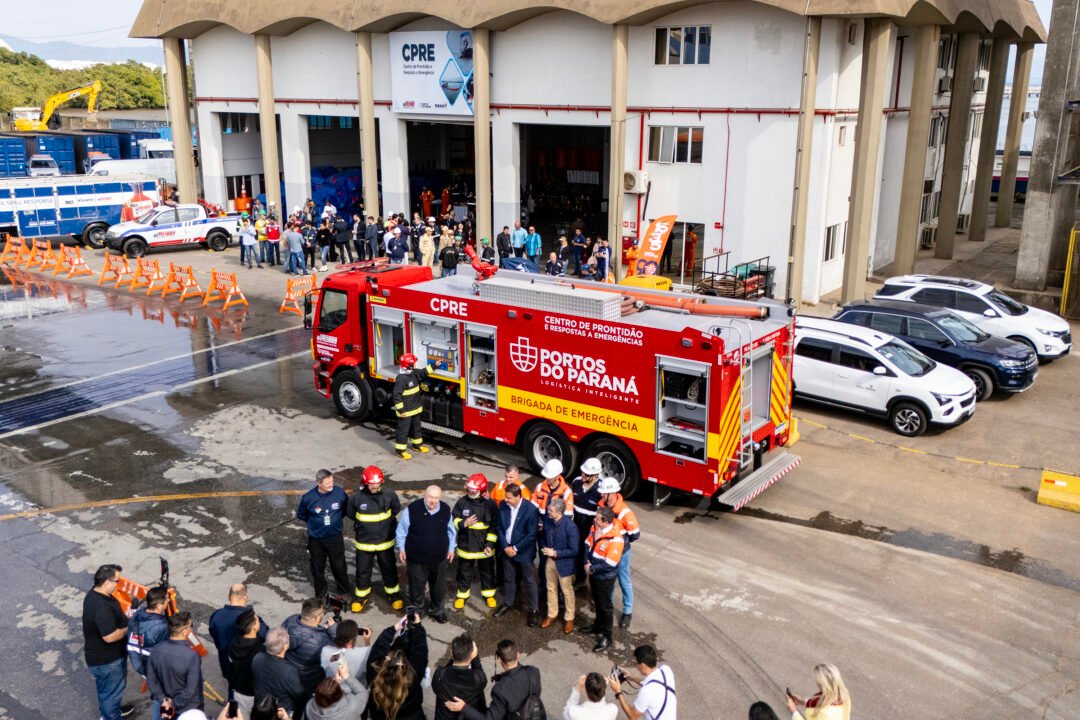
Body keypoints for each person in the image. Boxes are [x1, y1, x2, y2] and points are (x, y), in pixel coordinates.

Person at [346, 465, 405, 613]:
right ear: (365, 483)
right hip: (365, 544)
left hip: (385, 543)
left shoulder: (390, 495)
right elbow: (351, 513)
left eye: (377, 484)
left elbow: (395, 509)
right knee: (363, 571)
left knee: (389, 569)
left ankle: (393, 595)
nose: (374, 486)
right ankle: (361, 597)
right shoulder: (356, 498)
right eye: (371, 484)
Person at [397, 484, 457, 623]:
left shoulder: (445, 510)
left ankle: (437, 610)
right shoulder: (412, 510)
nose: (433, 501)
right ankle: (416, 612)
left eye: (436, 498)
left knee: (438, 588)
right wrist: (401, 548)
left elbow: (451, 531)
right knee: (416, 588)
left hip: (439, 558)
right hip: (416, 559)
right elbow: (401, 531)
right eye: (430, 497)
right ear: (425, 495)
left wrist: (451, 549)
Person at [443, 639, 543, 720]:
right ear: (518, 654)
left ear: (499, 659)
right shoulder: (533, 672)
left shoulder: (500, 690)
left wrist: (463, 707)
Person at [82, 563, 133, 720]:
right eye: (117, 581)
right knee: (110, 693)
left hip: (102, 659)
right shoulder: (101, 607)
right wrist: (128, 627)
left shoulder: (95, 594)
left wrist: (124, 617)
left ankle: (112, 711)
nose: (119, 584)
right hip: (108, 661)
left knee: (107, 691)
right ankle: (111, 715)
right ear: (106, 582)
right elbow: (109, 636)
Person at [296, 469, 351, 599]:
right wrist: (317, 524)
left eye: (332, 481)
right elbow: (302, 515)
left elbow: (344, 510)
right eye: (327, 483)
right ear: (319, 484)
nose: (331, 485)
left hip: (335, 538)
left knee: (339, 566)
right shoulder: (308, 498)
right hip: (316, 540)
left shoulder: (339, 493)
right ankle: (321, 595)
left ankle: (344, 591)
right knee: (317, 568)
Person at [209, 583, 268, 702]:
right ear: (245, 597)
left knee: (232, 689)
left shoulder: (216, 616)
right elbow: (265, 634)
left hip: (226, 664)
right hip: (247, 668)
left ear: (229, 596)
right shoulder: (250, 619)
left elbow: (214, 635)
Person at [494, 483, 540, 626]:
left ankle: (533, 610)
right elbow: (499, 527)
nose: (505, 500)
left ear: (518, 496)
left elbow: (531, 535)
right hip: (507, 550)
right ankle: (508, 603)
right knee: (509, 578)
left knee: (529, 581)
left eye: (508, 498)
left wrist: (515, 548)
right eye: (505, 497)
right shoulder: (503, 505)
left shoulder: (531, 510)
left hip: (523, 552)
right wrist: (506, 546)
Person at [366, 614, 429, 720]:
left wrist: (393, 629)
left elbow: (378, 647)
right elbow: (420, 651)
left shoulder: (374, 674)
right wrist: (418, 626)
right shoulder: (413, 677)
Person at [597, 478, 640, 629]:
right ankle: (606, 606)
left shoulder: (625, 513)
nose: (601, 496)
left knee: (624, 580)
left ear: (613, 493)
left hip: (621, 553)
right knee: (609, 581)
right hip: (605, 550)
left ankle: (627, 612)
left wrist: (620, 544)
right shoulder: (601, 505)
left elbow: (635, 534)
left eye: (604, 494)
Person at [452, 474, 498, 610]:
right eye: (469, 490)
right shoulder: (461, 503)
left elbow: (494, 526)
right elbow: (453, 520)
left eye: (474, 491)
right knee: (464, 572)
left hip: (485, 548)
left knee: (487, 572)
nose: (470, 493)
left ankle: (488, 594)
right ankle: (462, 595)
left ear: (483, 491)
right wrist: (464, 523)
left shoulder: (490, 505)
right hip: (466, 547)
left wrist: (489, 544)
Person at [581, 507, 623, 651]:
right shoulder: (596, 527)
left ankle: (607, 636)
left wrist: (591, 568)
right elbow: (588, 543)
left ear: (605, 521)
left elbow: (611, 563)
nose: (594, 520)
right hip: (594, 573)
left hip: (604, 577)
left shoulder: (616, 539)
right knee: (597, 603)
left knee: (605, 607)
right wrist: (586, 560)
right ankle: (597, 626)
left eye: (598, 518)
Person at [148, 611, 204, 718]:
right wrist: (173, 704)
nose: (192, 629)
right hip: (188, 708)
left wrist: (164, 700)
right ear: (184, 631)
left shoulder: (156, 649)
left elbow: (151, 679)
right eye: (191, 626)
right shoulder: (192, 655)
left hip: (165, 703)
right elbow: (190, 689)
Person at [539, 496, 579, 634]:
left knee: (567, 591)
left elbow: (574, 550)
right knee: (551, 588)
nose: (548, 512)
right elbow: (543, 538)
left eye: (551, 511)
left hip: (564, 564)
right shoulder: (548, 522)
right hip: (550, 561)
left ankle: (569, 618)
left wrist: (555, 552)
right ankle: (552, 614)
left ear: (560, 512)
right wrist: (545, 549)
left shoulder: (571, 527)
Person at [283, 597, 337, 697]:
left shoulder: (291, 620)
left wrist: (320, 630)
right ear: (317, 618)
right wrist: (333, 632)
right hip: (310, 680)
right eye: (322, 613)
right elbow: (336, 655)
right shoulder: (320, 640)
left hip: (288, 672)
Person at [606, 645, 676, 720]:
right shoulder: (666, 670)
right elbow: (650, 683)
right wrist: (632, 678)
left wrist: (618, 692)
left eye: (636, 663)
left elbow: (632, 716)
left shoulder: (646, 692)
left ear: (643, 665)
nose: (636, 666)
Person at [252, 628, 306, 720]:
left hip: (261, 706)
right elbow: (300, 696)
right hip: (281, 711)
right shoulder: (289, 671)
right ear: (284, 647)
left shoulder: (257, 658)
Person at [127, 586, 170, 695]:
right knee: (163, 696)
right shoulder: (161, 627)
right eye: (167, 599)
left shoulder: (137, 614)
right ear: (160, 605)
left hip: (137, 661)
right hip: (153, 667)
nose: (169, 601)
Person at [432, 634, 487, 720]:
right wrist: (476, 659)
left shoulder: (440, 675)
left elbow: (435, 688)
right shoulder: (478, 678)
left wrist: (454, 657)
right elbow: (480, 673)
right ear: (472, 655)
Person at [320, 620, 372, 706]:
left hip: (334, 692)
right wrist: (367, 641)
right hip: (357, 693)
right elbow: (370, 659)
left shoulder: (326, 651)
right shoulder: (365, 652)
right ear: (353, 639)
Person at [392, 353, 431, 459]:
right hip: (406, 412)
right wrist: (401, 410)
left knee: (416, 428)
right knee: (403, 431)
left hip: (415, 408)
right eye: (412, 364)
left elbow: (423, 372)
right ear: (408, 366)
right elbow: (396, 396)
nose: (414, 366)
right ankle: (400, 450)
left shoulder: (412, 373)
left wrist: (435, 366)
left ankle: (417, 445)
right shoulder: (401, 379)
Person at [571, 458, 602, 585]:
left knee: (586, 553)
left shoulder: (600, 490)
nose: (583, 476)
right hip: (577, 521)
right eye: (582, 472)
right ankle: (575, 574)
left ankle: (581, 579)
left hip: (590, 525)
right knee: (575, 549)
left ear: (595, 475)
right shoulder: (576, 482)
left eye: (587, 474)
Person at [229, 609, 266, 720]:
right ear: (254, 627)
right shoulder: (260, 650)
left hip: (238, 691)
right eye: (258, 619)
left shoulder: (233, 644)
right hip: (253, 694)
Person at [786, 664, 851, 720]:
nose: (817, 684)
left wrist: (794, 711)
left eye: (819, 684)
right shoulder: (842, 694)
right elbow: (823, 702)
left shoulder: (827, 713)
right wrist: (802, 702)